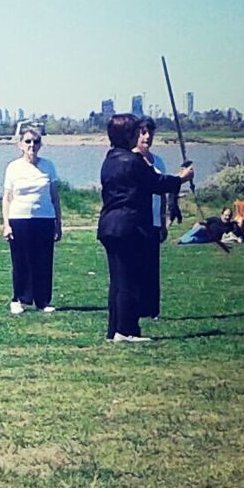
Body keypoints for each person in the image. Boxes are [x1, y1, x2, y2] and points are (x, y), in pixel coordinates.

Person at [97, 115, 191, 342]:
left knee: (118, 281)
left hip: (110, 225)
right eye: (136, 132)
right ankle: (126, 330)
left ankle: (115, 330)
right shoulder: (132, 161)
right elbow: (158, 184)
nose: (141, 135)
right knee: (129, 280)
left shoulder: (110, 159)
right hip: (128, 227)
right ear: (127, 135)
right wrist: (182, 178)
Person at [1, 128, 62, 314]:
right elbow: (7, 198)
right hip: (19, 219)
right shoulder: (13, 167)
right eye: (27, 141)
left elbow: (54, 196)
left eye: (35, 142)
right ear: (20, 145)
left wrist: (58, 223)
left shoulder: (48, 166)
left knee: (43, 261)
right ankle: (19, 299)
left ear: (40, 145)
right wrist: (6, 224)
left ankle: (42, 300)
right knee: (21, 260)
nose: (31, 146)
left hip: (44, 218)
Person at [133, 117, 169, 322]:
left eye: (150, 133)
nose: (147, 137)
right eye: (143, 133)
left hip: (154, 221)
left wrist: (163, 221)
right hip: (136, 222)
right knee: (135, 267)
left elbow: (162, 193)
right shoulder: (131, 160)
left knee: (151, 267)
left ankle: (151, 308)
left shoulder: (159, 162)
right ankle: (135, 308)